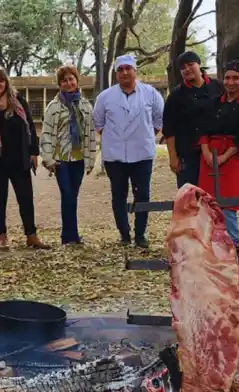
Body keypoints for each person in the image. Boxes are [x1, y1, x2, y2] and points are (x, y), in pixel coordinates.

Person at [92, 55, 164, 248]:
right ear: (116, 74)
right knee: (118, 195)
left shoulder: (150, 93)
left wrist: (145, 135)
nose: (125, 73)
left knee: (143, 195)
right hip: (115, 156)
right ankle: (124, 234)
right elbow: (98, 123)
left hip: (142, 155)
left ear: (135, 71)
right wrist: (116, 138)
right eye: (120, 69)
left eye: (128, 68)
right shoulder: (105, 97)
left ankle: (140, 235)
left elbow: (159, 120)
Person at [0, 68, 49, 250]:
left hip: (19, 159)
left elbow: (30, 127)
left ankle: (31, 235)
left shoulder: (18, 102)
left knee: (25, 198)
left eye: (1, 81)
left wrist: (34, 152)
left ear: (6, 83)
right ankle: (1, 236)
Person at [197, 60, 239, 254]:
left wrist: (223, 158)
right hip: (209, 156)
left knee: (229, 202)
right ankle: (211, 243)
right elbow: (203, 130)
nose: (231, 82)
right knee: (208, 201)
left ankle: (233, 243)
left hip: (233, 156)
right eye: (227, 77)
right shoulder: (214, 102)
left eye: (235, 78)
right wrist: (207, 153)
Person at [40, 65, 97, 245]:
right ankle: (68, 236)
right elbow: (47, 134)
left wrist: (91, 160)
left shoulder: (86, 106)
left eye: (71, 79)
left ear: (77, 81)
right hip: (61, 159)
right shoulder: (53, 107)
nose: (68, 83)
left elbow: (91, 134)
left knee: (73, 195)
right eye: (64, 80)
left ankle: (71, 234)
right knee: (67, 194)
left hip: (79, 158)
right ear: (59, 84)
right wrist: (48, 158)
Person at [163, 51, 224, 187]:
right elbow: (169, 128)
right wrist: (173, 156)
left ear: (199, 65)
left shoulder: (218, 87)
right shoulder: (176, 95)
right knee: (190, 195)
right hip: (188, 153)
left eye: (190, 65)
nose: (187, 69)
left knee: (216, 193)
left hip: (215, 151)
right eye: (183, 68)